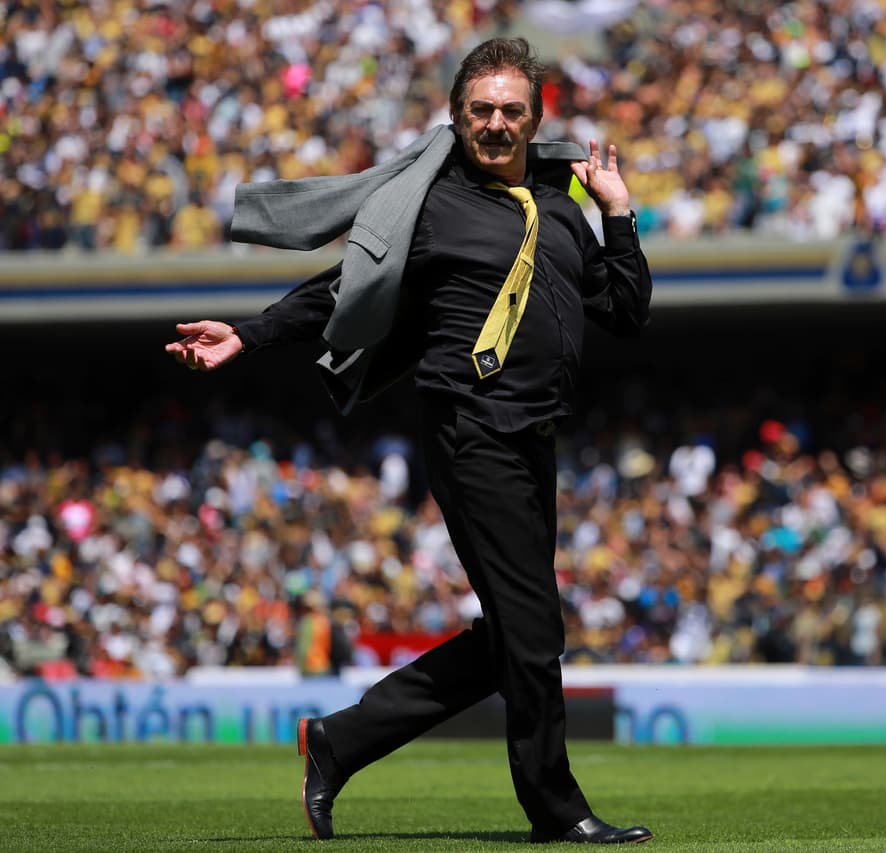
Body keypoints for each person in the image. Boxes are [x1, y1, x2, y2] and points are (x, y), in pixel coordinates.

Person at [166, 37, 654, 845]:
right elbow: (342, 288)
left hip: (536, 437)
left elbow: (628, 312)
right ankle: (557, 808)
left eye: (512, 112)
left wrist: (619, 211)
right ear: (457, 117)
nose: (496, 124)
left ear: (537, 119)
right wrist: (249, 336)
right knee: (533, 634)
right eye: (481, 111)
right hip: (469, 428)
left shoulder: (563, 206)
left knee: (521, 635)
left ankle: (341, 739)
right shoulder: (431, 206)